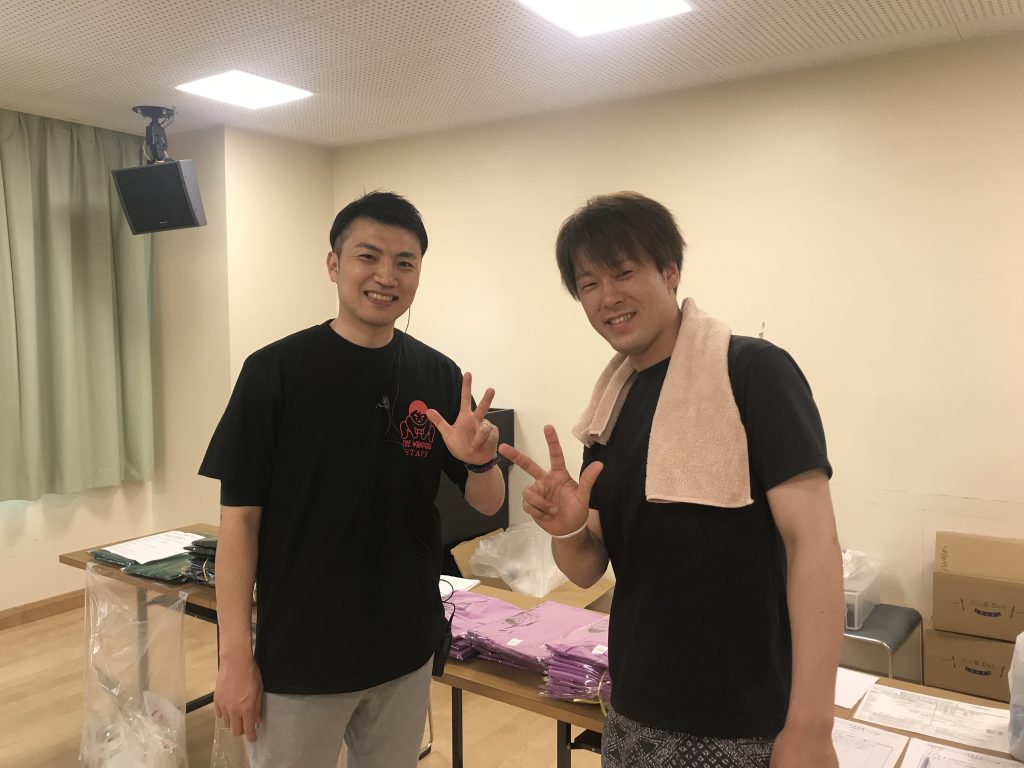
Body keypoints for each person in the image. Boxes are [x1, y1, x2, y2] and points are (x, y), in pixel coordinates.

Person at [499, 192, 844, 768]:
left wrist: (811, 726)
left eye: (623, 272)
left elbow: (814, 543)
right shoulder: (610, 409)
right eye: (588, 284)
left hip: (744, 721)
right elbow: (588, 569)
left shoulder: (753, 372)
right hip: (633, 709)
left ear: (670, 271)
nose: (607, 297)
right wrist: (568, 529)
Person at [199, 191, 505, 768]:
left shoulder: (437, 373)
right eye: (368, 256)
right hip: (302, 656)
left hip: (405, 650)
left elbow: (488, 504)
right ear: (334, 265)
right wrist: (234, 657)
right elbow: (239, 523)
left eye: (405, 262)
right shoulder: (274, 372)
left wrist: (481, 462)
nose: (386, 276)